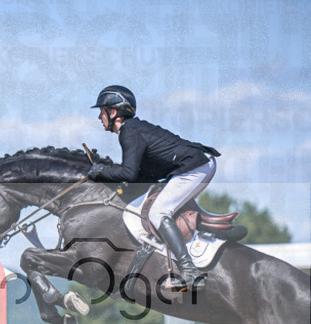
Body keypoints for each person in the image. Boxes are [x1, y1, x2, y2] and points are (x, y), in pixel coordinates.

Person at [86, 85, 220, 293]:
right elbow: (140, 176)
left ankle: (189, 271)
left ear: (113, 112)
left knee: (159, 212)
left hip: (196, 166)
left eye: (102, 111)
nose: (99, 117)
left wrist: (102, 171)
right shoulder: (133, 130)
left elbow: (129, 173)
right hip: (197, 164)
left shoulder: (128, 131)